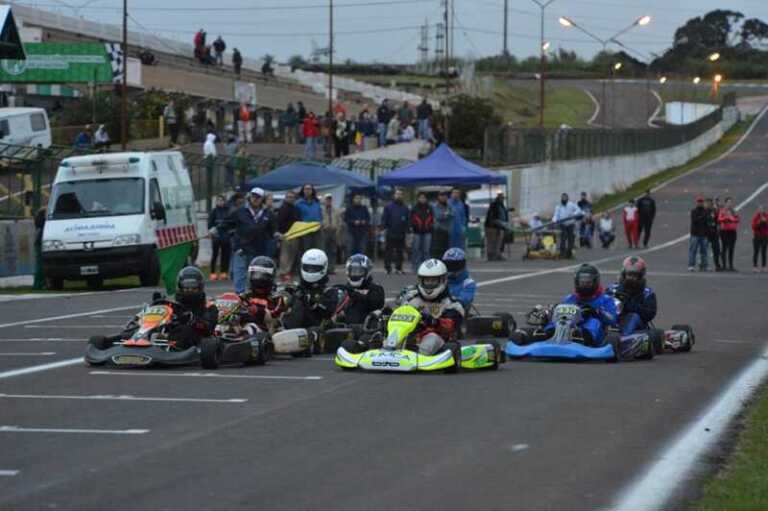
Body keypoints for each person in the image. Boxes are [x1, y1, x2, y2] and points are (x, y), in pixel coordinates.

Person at [396, 259, 465, 356]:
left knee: (431, 339)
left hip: (438, 339)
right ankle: (387, 352)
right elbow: (401, 313)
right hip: (411, 335)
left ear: (443, 280)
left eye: (433, 281)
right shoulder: (411, 299)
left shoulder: (452, 304)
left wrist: (434, 321)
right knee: (394, 336)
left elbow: (450, 326)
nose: (429, 283)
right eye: (427, 280)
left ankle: (419, 356)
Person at [221, 187, 276, 294]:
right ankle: (239, 295)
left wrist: (277, 235)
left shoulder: (268, 214)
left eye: (258, 197)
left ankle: (254, 295)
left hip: (259, 250)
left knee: (257, 275)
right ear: (249, 197)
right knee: (239, 274)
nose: (255, 199)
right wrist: (215, 230)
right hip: (242, 249)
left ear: (262, 199)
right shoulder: (240, 211)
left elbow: (273, 230)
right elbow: (226, 223)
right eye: (253, 196)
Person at [550, 264, 618, 346]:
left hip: (596, 338)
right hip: (570, 328)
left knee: (594, 322)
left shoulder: (605, 299)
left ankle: (582, 339)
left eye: (588, 283)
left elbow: (612, 320)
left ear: (595, 283)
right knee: (558, 322)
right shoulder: (570, 298)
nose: (585, 285)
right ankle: (546, 334)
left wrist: (598, 311)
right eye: (582, 282)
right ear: (577, 282)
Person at [282, 249, 333, 330]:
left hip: (317, 332)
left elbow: (329, 313)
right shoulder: (296, 289)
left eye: (314, 268)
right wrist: (288, 297)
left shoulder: (329, 292)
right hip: (289, 332)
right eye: (308, 268)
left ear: (324, 267)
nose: (310, 271)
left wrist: (313, 303)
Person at [608, 256, 657, 336]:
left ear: (640, 276)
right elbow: (602, 304)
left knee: (633, 316)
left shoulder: (647, 292)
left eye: (635, 275)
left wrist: (629, 305)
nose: (631, 278)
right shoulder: (613, 288)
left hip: (637, 328)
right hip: (614, 321)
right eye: (629, 274)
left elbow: (649, 314)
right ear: (624, 274)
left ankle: (623, 337)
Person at [239, 256, 288, 333]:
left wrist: (256, 310)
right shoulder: (246, 296)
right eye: (255, 275)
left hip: (267, 331)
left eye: (262, 276)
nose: (258, 279)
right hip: (243, 327)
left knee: (251, 328)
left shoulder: (276, 298)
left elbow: (274, 317)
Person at [338, 254, 385, 325]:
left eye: (359, 271)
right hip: (344, 326)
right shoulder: (345, 289)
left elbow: (375, 304)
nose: (355, 274)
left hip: (366, 326)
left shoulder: (375, 288)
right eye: (353, 271)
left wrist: (355, 295)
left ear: (367, 271)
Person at [381, 189, 410, 275]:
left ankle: (399, 268)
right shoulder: (388, 206)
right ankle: (387, 268)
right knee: (388, 252)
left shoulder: (405, 208)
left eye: (400, 194)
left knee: (400, 252)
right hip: (390, 232)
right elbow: (384, 218)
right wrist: (383, 228)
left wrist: (407, 230)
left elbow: (408, 220)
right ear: (394, 195)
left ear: (402, 196)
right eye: (397, 194)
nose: (399, 195)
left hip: (401, 233)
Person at [277, 190, 301, 281]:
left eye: (292, 197)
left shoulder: (295, 208)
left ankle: (288, 271)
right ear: (285, 198)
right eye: (289, 197)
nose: (290, 199)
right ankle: (283, 272)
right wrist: (282, 234)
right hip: (286, 235)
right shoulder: (283, 208)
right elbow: (279, 222)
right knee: (285, 255)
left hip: (295, 234)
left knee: (292, 255)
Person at [208, 195, 231, 281]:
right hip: (216, 237)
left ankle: (223, 272)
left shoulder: (228, 211)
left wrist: (229, 232)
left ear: (224, 201)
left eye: (222, 200)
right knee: (215, 255)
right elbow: (210, 224)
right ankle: (213, 273)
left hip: (226, 237)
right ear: (216, 202)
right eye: (219, 200)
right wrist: (212, 230)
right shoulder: (214, 211)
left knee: (225, 255)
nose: (220, 202)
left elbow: (230, 223)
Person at [552, 193, 582, 258]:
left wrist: (574, 214)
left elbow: (578, 210)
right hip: (563, 224)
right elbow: (556, 215)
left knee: (571, 238)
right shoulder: (558, 206)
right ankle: (562, 253)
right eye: (563, 198)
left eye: (565, 198)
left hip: (570, 223)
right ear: (561, 199)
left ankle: (569, 253)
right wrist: (554, 220)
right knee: (563, 237)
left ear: (567, 198)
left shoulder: (571, 204)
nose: (564, 199)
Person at [410, 192, 433, 272]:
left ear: (426, 199)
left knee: (426, 251)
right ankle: (415, 267)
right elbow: (410, 219)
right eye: (421, 197)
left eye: (424, 198)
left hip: (427, 232)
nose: (422, 199)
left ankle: (427, 268)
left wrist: (430, 226)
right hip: (417, 232)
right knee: (416, 250)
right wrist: (413, 227)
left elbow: (433, 219)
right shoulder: (414, 208)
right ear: (418, 198)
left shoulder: (429, 208)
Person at [485, 192, 510, 261]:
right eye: (502, 198)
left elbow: (503, 214)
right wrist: (496, 224)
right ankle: (491, 256)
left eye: (503, 198)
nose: (503, 199)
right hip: (492, 226)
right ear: (498, 198)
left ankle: (497, 254)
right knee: (492, 242)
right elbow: (493, 217)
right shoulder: (494, 205)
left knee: (498, 242)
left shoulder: (501, 205)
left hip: (499, 226)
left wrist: (507, 210)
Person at [718, 197, 740, 272]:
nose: (730, 204)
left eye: (731, 202)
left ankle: (731, 266)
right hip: (724, 231)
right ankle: (724, 266)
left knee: (731, 248)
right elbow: (719, 219)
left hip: (732, 231)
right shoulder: (722, 211)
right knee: (724, 248)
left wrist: (732, 219)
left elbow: (738, 219)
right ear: (725, 203)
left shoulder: (733, 211)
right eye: (728, 202)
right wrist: (726, 219)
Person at [321, 194, 342, 273]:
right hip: (325, 231)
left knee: (333, 251)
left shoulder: (336, 210)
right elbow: (319, 220)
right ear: (324, 201)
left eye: (330, 200)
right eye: (327, 199)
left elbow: (339, 221)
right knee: (324, 250)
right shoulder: (321, 210)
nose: (328, 201)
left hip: (334, 232)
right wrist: (323, 226)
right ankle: (324, 268)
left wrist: (338, 230)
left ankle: (331, 268)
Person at [689, 196, 709, 272]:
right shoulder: (694, 211)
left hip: (704, 234)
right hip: (695, 234)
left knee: (704, 251)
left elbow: (706, 220)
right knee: (693, 250)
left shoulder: (705, 211)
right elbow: (695, 220)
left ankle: (704, 266)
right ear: (696, 202)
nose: (700, 203)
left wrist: (701, 217)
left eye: (701, 202)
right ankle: (691, 265)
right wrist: (702, 217)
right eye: (699, 202)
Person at [432, 191, 453, 258]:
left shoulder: (448, 205)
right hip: (438, 231)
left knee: (446, 250)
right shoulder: (435, 206)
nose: (443, 197)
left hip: (447, 231)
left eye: (445, 196)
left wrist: (446, 214)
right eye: (442, 196)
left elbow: (452, 214)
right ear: (438, 197)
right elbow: (438, 216)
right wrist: (446, 214)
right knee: (438, 250)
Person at [705, 198, 722, 271]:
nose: (708, 204)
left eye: (710, 203)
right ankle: (704, 265)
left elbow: (718, 220)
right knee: (704, 250)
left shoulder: (714, 211)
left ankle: (717, 265)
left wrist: (718, 228)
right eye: (707, 203)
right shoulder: (704, 211)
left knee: (716, 250)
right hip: (706, 233)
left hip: (714, 233)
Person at [752, 205, 768, 272]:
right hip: (757, 236)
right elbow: (753, 227)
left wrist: (765, 222)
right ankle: (755, 266)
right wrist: (759, 222)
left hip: (765, 236)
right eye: (759, 209)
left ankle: (764, 266)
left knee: (764, 251)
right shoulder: (755, 217)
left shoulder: (766, 216)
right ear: (758, 210)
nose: (761, 210)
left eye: (762, 209)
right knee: (756, 251)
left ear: (764, 210)